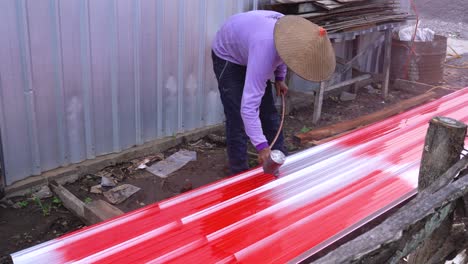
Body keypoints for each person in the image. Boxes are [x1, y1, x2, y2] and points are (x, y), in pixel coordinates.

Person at [212, 10, 336, 175]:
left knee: (268, 110)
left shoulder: (290, 36)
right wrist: (261, 146)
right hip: (229, 54)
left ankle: (280, 158)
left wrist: (279, 77)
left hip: (255, 43)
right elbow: (248, 107)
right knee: (237, 117)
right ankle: (238, 172)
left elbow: (285, 54)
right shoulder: (265, 48)